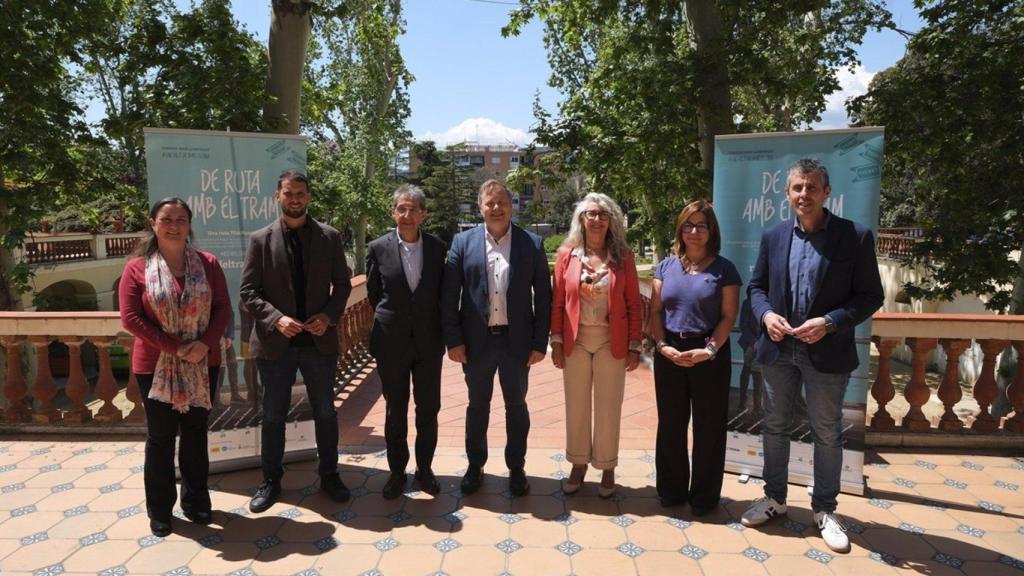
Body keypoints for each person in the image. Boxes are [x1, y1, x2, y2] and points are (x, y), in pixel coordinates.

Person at [741, 158, 884, 553]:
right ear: (788, 194)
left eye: (812, 187)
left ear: (826, 192)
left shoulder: (854, 236)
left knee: (825, 432)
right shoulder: (773, 236)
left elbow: (871, 295)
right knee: (775, 427)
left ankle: (824, 509)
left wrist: (831, 322)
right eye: (797, 188)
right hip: (779, 350)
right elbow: (756, 288)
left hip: (827, 352)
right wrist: (766, 314)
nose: (804, 194)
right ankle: (774, 498)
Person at [240, 171, 353, 513]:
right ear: (278, 196)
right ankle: (271, 480)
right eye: (289, 193)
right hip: (277, 345)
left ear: (309, 196)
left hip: (318, 343)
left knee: (325, 412)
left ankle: (329, 474)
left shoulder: (330, 237)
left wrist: (327, 316)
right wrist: (277, 319)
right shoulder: (261, 239)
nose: (295, 199)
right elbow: (248, 292)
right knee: (273, 415)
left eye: (301, 193)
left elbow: (343, 286)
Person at [119, 197, 230, 536]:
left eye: (181, 219)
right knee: (161, 439)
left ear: (189, 224)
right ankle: (161, 510)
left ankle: (196, 502)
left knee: (196, 436)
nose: (174, 225)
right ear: (153, 223)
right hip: (154, 366)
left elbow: (223, 309)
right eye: (166, 219)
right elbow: (131, 319)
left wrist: (204, 344)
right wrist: (176, 347)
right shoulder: (136, 268)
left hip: (202, 362)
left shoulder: (208, 263)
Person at [442, 179, 551, 497]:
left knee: (516, 406)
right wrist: (454, 340)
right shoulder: (462, 243)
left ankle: (516, 468)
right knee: (477, 406)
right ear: (480, 207)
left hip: (516, 343)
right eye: (490, 203)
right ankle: (475, 467)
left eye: (502, 201)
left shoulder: (531, 243)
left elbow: (543, 297)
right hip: (477, 343)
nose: (496, 207)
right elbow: (449, 297)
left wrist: (538, 342)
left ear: (511, 204)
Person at [649, 200, 740, 516]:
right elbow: (656, 311)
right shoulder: (665, 266)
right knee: (671, 424)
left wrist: (710, 349)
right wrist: (661, 345)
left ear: (711, 230)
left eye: (701, 225)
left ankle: (704, 497)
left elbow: (729, 316)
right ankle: (671, 491)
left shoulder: (725, 269)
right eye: (688, 225)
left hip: (709, 354)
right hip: (670, 353)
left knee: (709, 427)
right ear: (680, 229)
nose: (694, 231)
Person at [550, 193, 642, 498]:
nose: (597, 219)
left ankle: (607, 466)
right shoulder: (567, 254)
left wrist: (634, 344)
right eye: (591, 214)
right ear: (581, 219)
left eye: (603, 214)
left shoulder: (624, 256)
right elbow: (558, 301)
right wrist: (557, 340)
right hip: (576, 340)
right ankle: (578, 464)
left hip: (610, 340)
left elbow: (632, 304)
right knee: (576, 405)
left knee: (608, 405)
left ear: (611, 220)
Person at [366, 184, 446, 499]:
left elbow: (444, 293)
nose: (407, 215)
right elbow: (374, 294)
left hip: (428, 344)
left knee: (428, 409)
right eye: (402, 208)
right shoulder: (377, 248)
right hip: (391, 343)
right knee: (394, 410)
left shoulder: (439, 248)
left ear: (423, 214)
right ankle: (397, 473)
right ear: (393, 212)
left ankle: (424, 471)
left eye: (414, 209)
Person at [736, 297, 763, 420]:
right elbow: (743, 325)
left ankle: (757, 406)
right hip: (749, 343)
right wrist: (754, 341)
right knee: (747, 371)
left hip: (761, 344)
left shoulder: (767, 301)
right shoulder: (748, 303)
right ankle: (743, 402)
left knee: (757, 374)